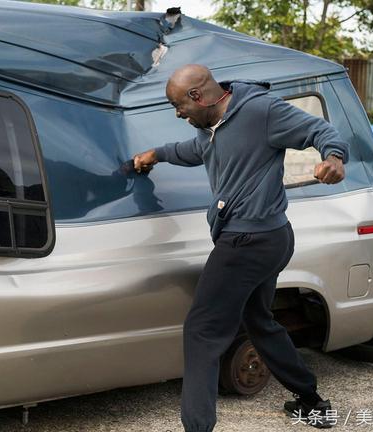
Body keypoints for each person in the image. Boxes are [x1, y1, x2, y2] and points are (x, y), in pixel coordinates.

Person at [133, 64, 348, 431]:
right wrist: (155, 154)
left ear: (197, 96)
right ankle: (312, 403)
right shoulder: (210, 128)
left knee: (201, 331)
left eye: (178, 105)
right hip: (270, 239)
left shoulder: (260, 111)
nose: (177, 113)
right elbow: (191, 150)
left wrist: (333, 158)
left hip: (247, 242)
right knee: (259, 321)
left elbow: (320, 130)